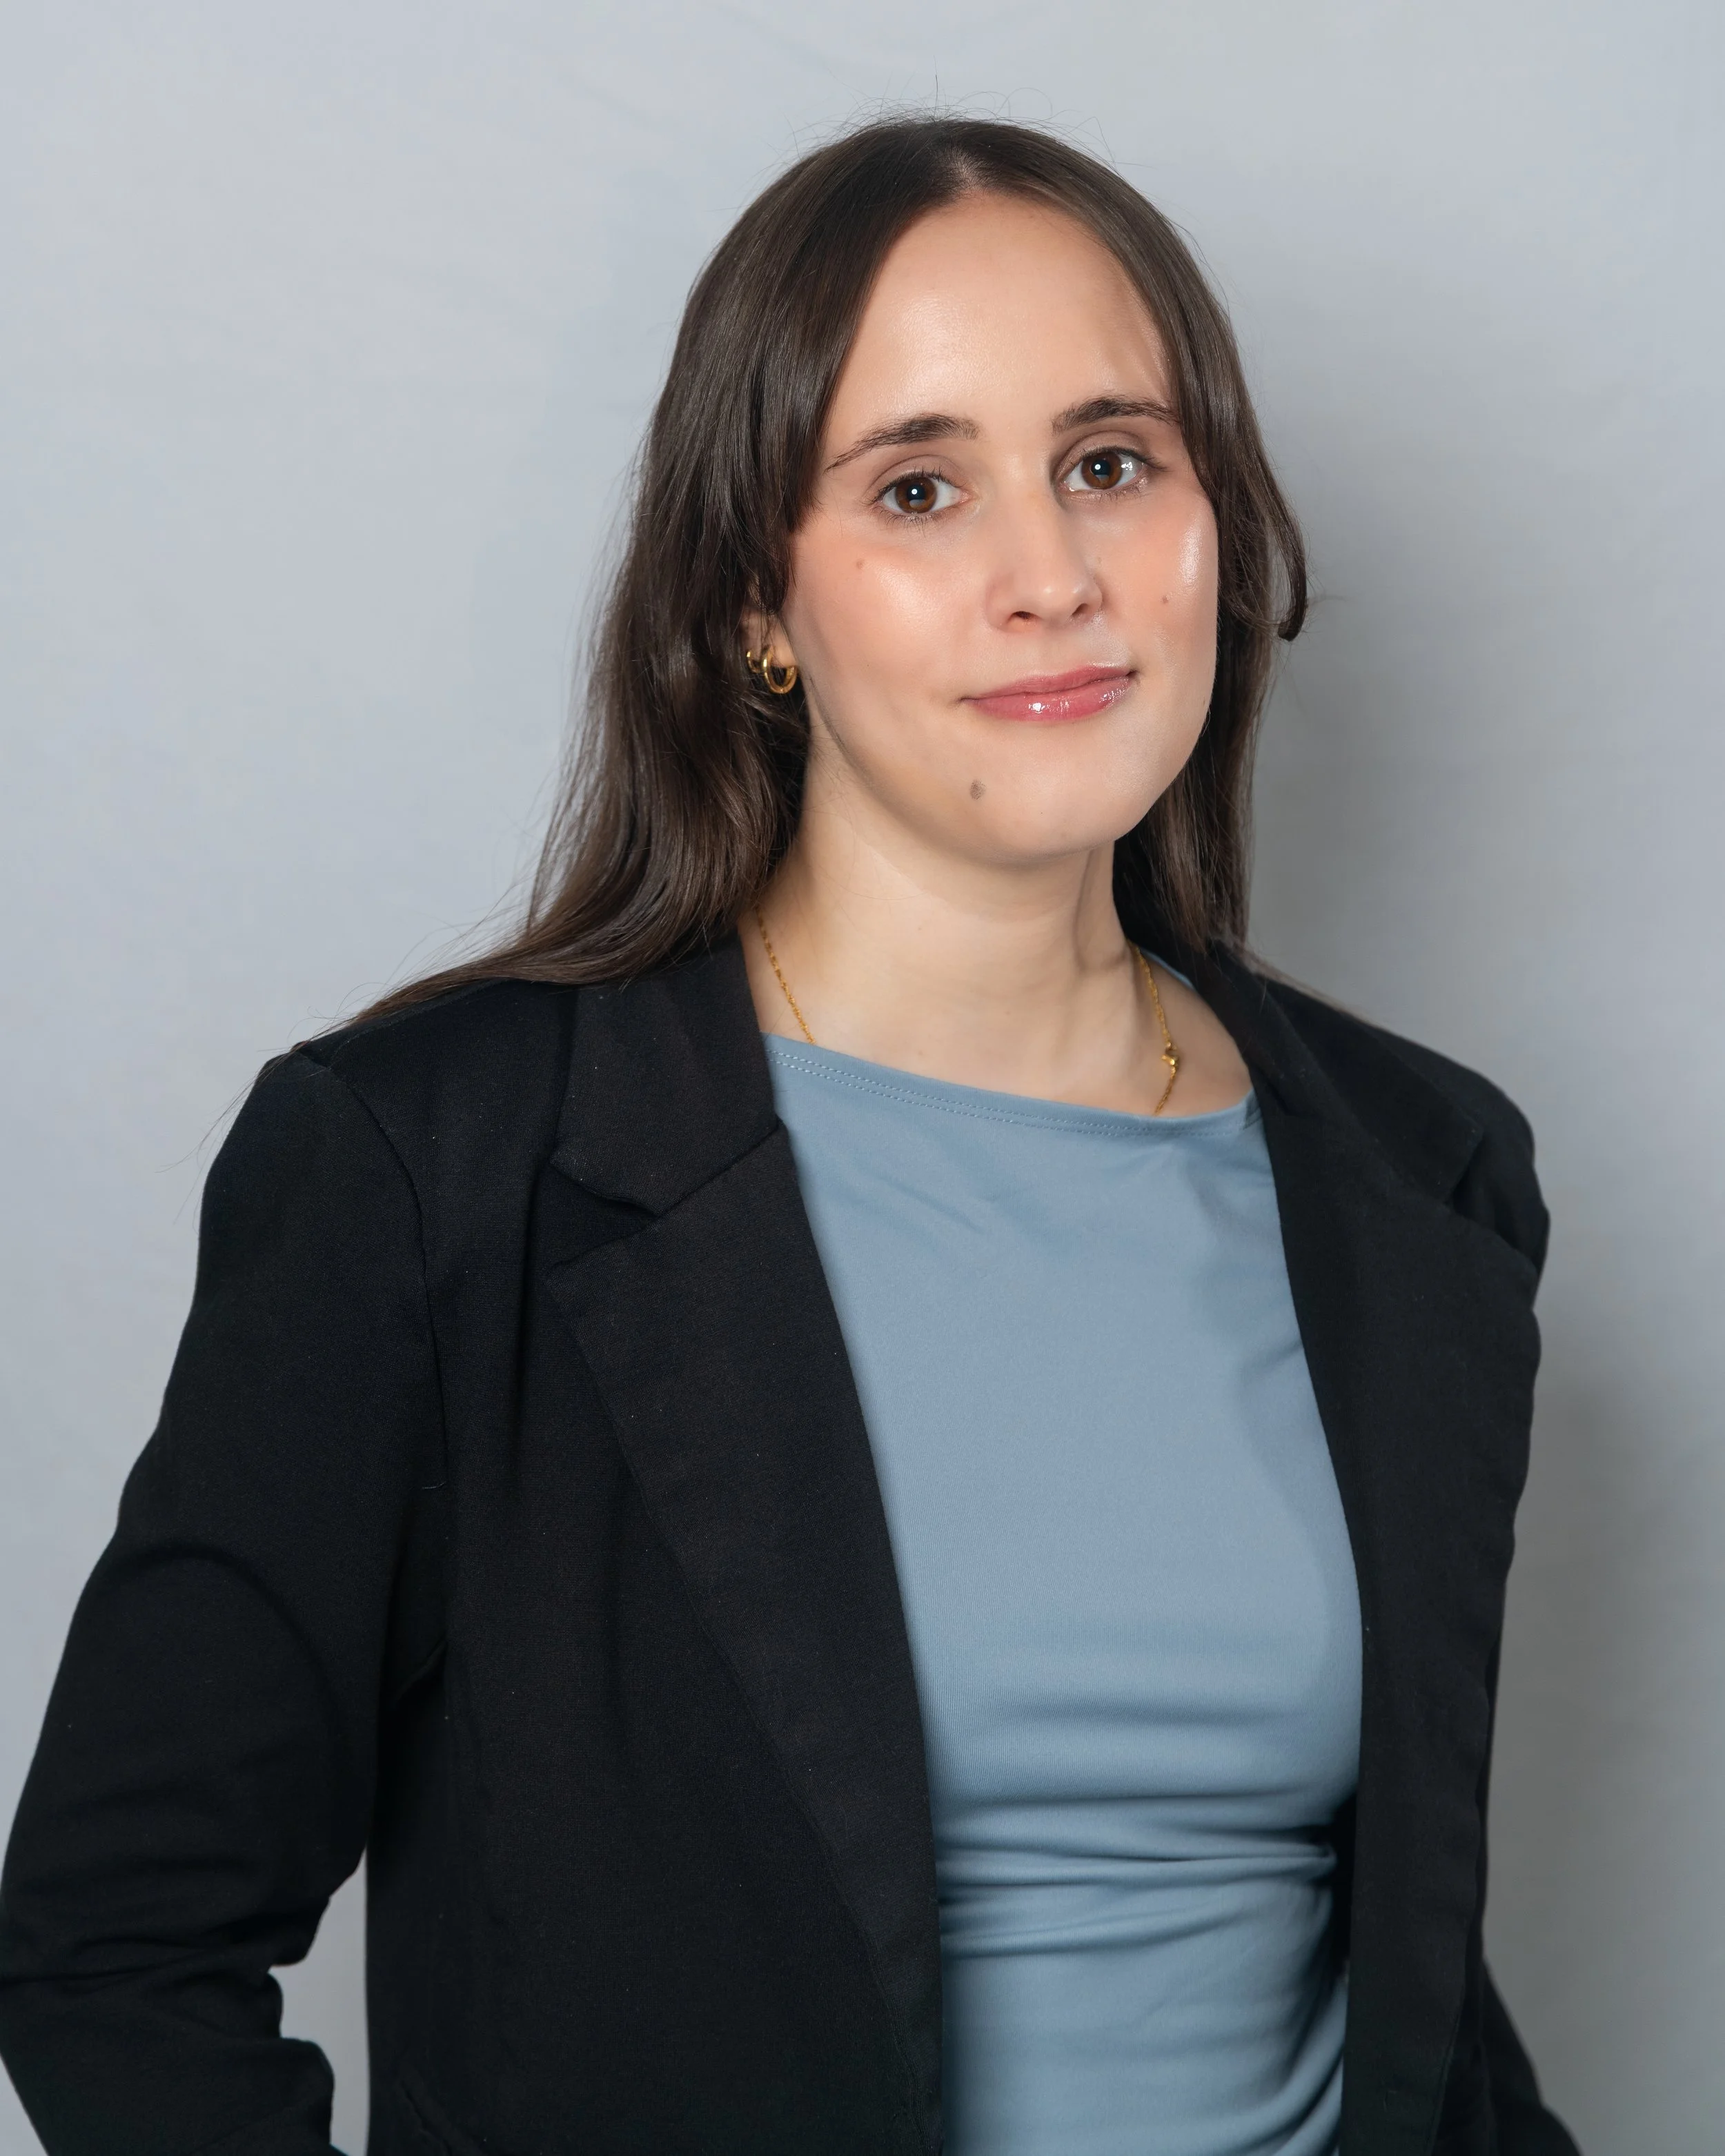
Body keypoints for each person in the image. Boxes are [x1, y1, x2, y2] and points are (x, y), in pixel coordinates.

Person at [0, 116, 1579, 2156]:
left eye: (1112, 461)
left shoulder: (1417, 1174)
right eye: (917, 487)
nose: (1051, 577)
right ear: (759, 600)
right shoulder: (429, 1175)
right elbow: (114, 1946)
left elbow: (1408, 1998)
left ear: (1216, 521)